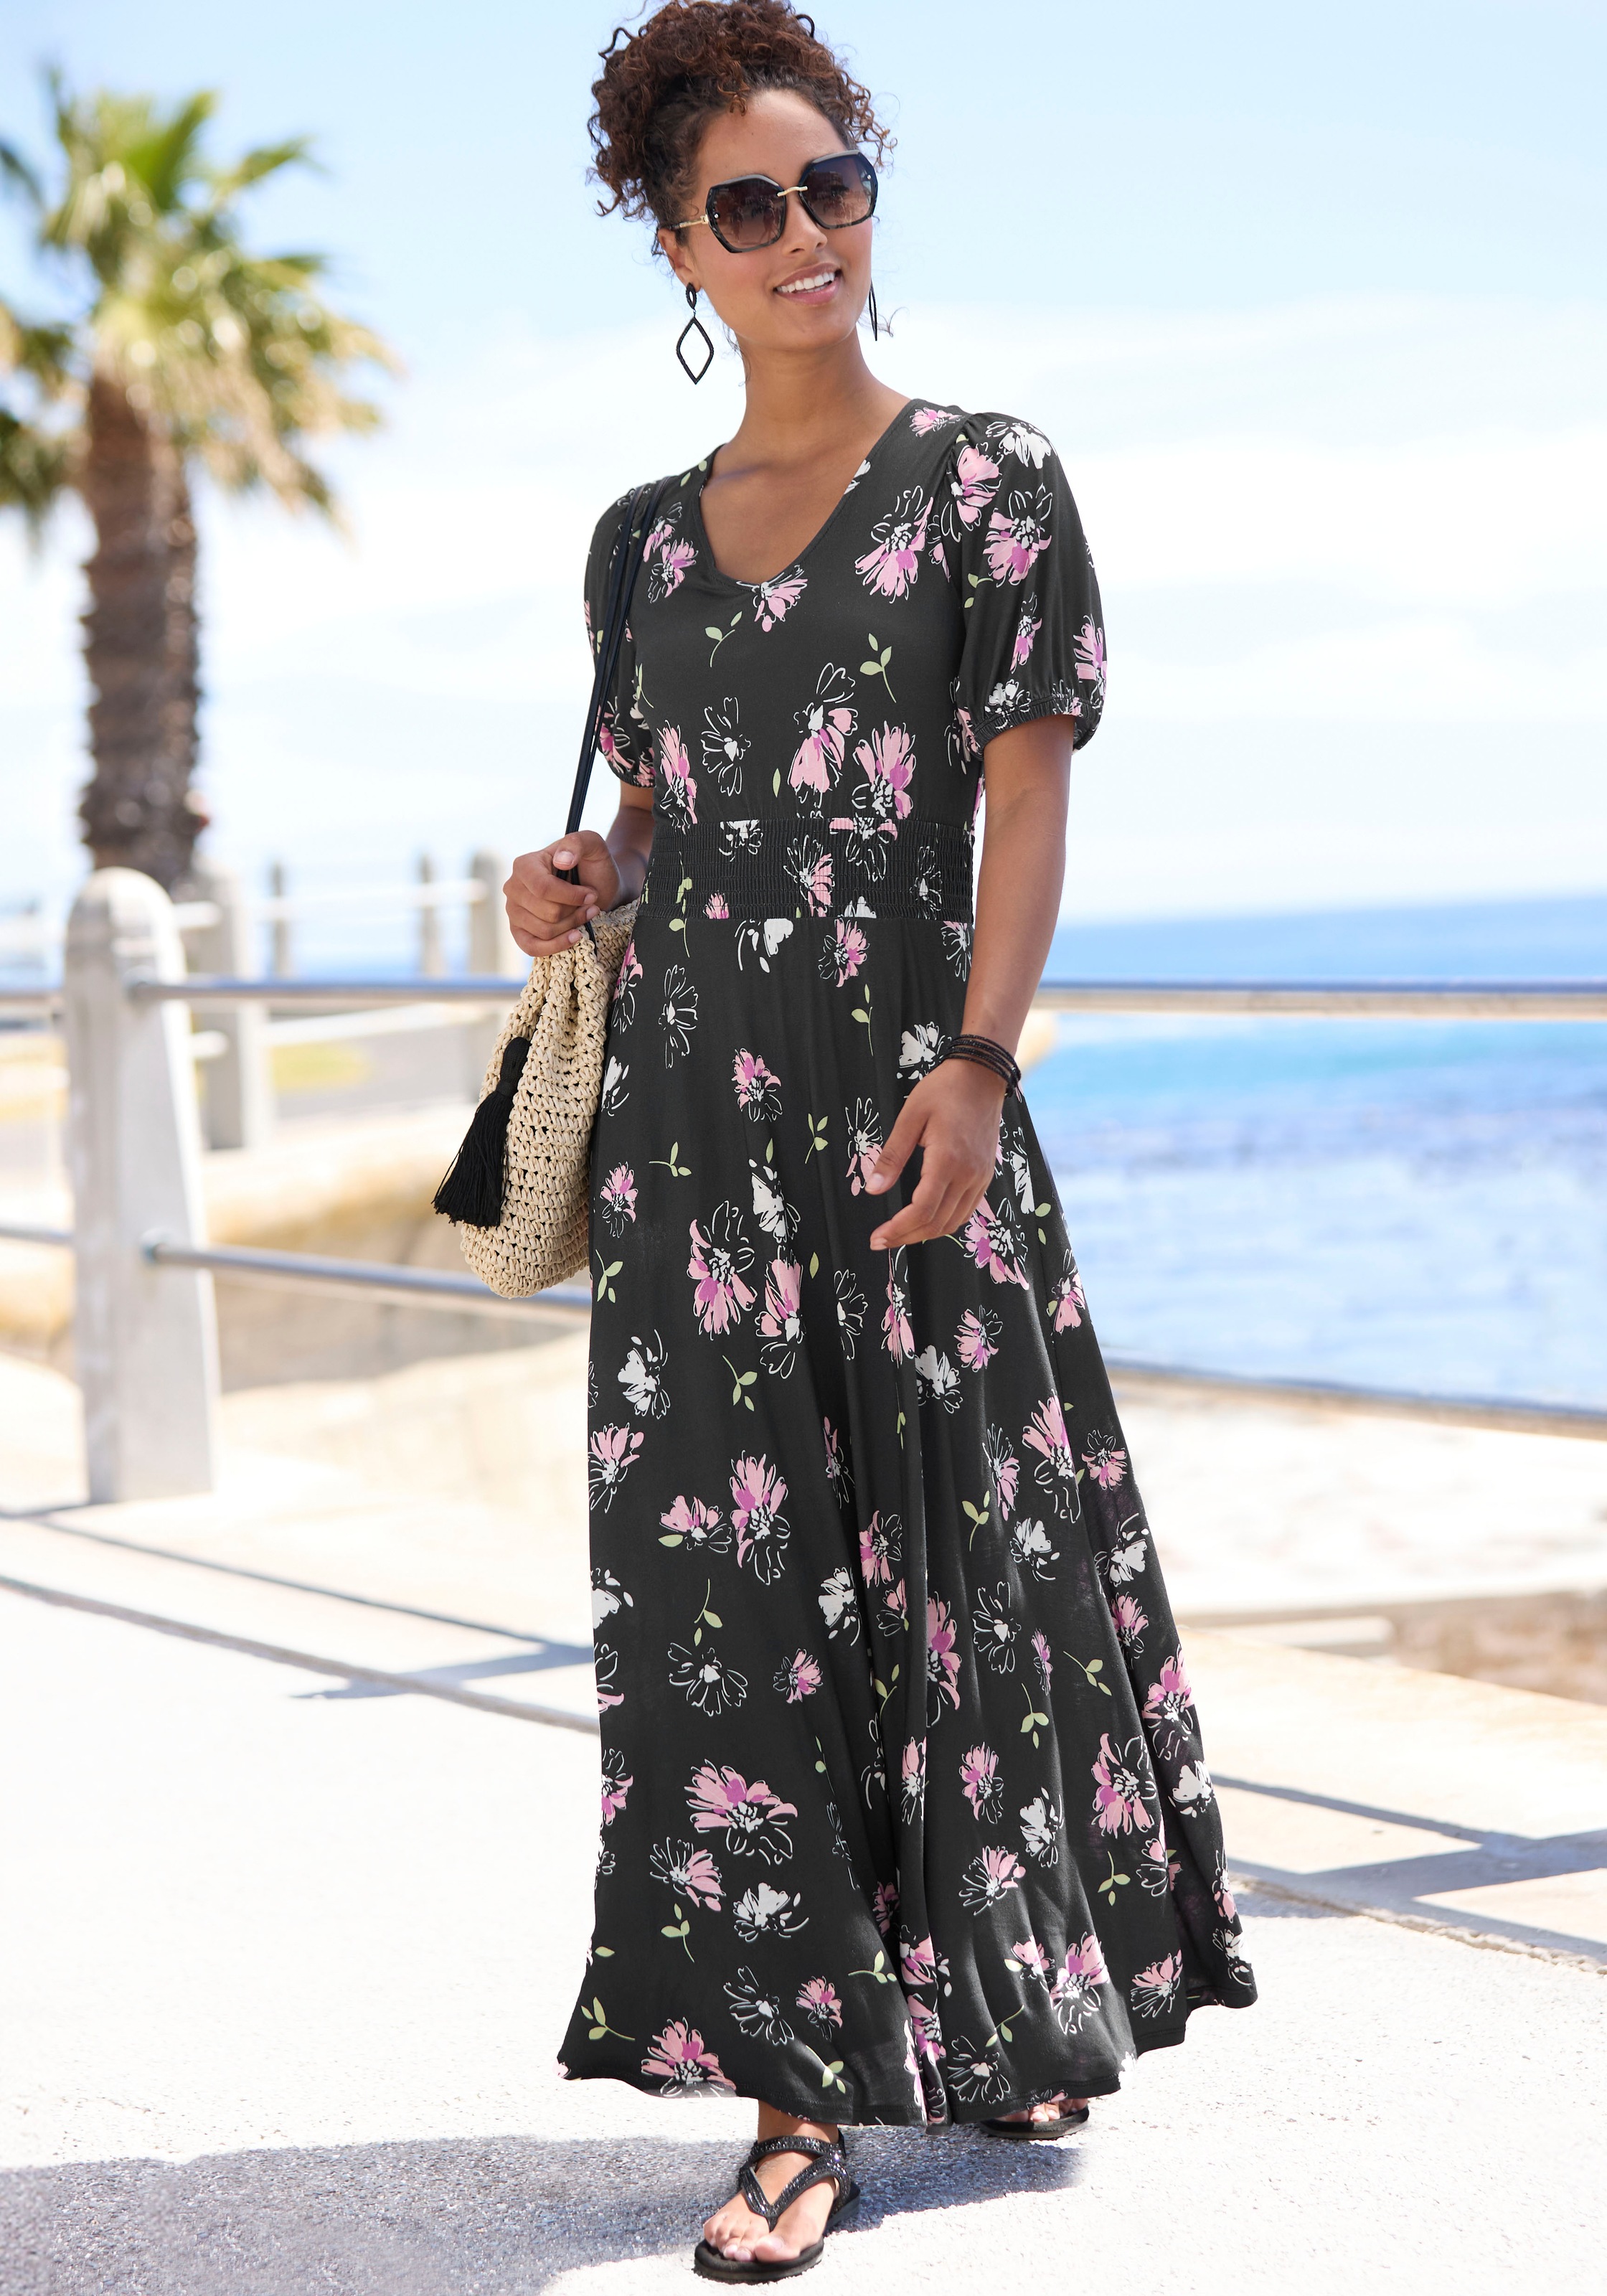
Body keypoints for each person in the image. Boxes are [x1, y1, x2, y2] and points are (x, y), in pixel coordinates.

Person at [505, 3, 1256, 2278]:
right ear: (679, 252)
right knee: (735, 1593)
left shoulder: (987, 482)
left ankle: (1006, 2001)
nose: (803, 232)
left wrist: (981, 1063)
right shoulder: (640, 547)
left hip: (910, 1095)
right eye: (747, 205)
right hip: (692, 1136)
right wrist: (578, 885)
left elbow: (1026, 798)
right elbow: (661, 821)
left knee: (963, 1550)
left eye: (832, 184)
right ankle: (793, 2105)